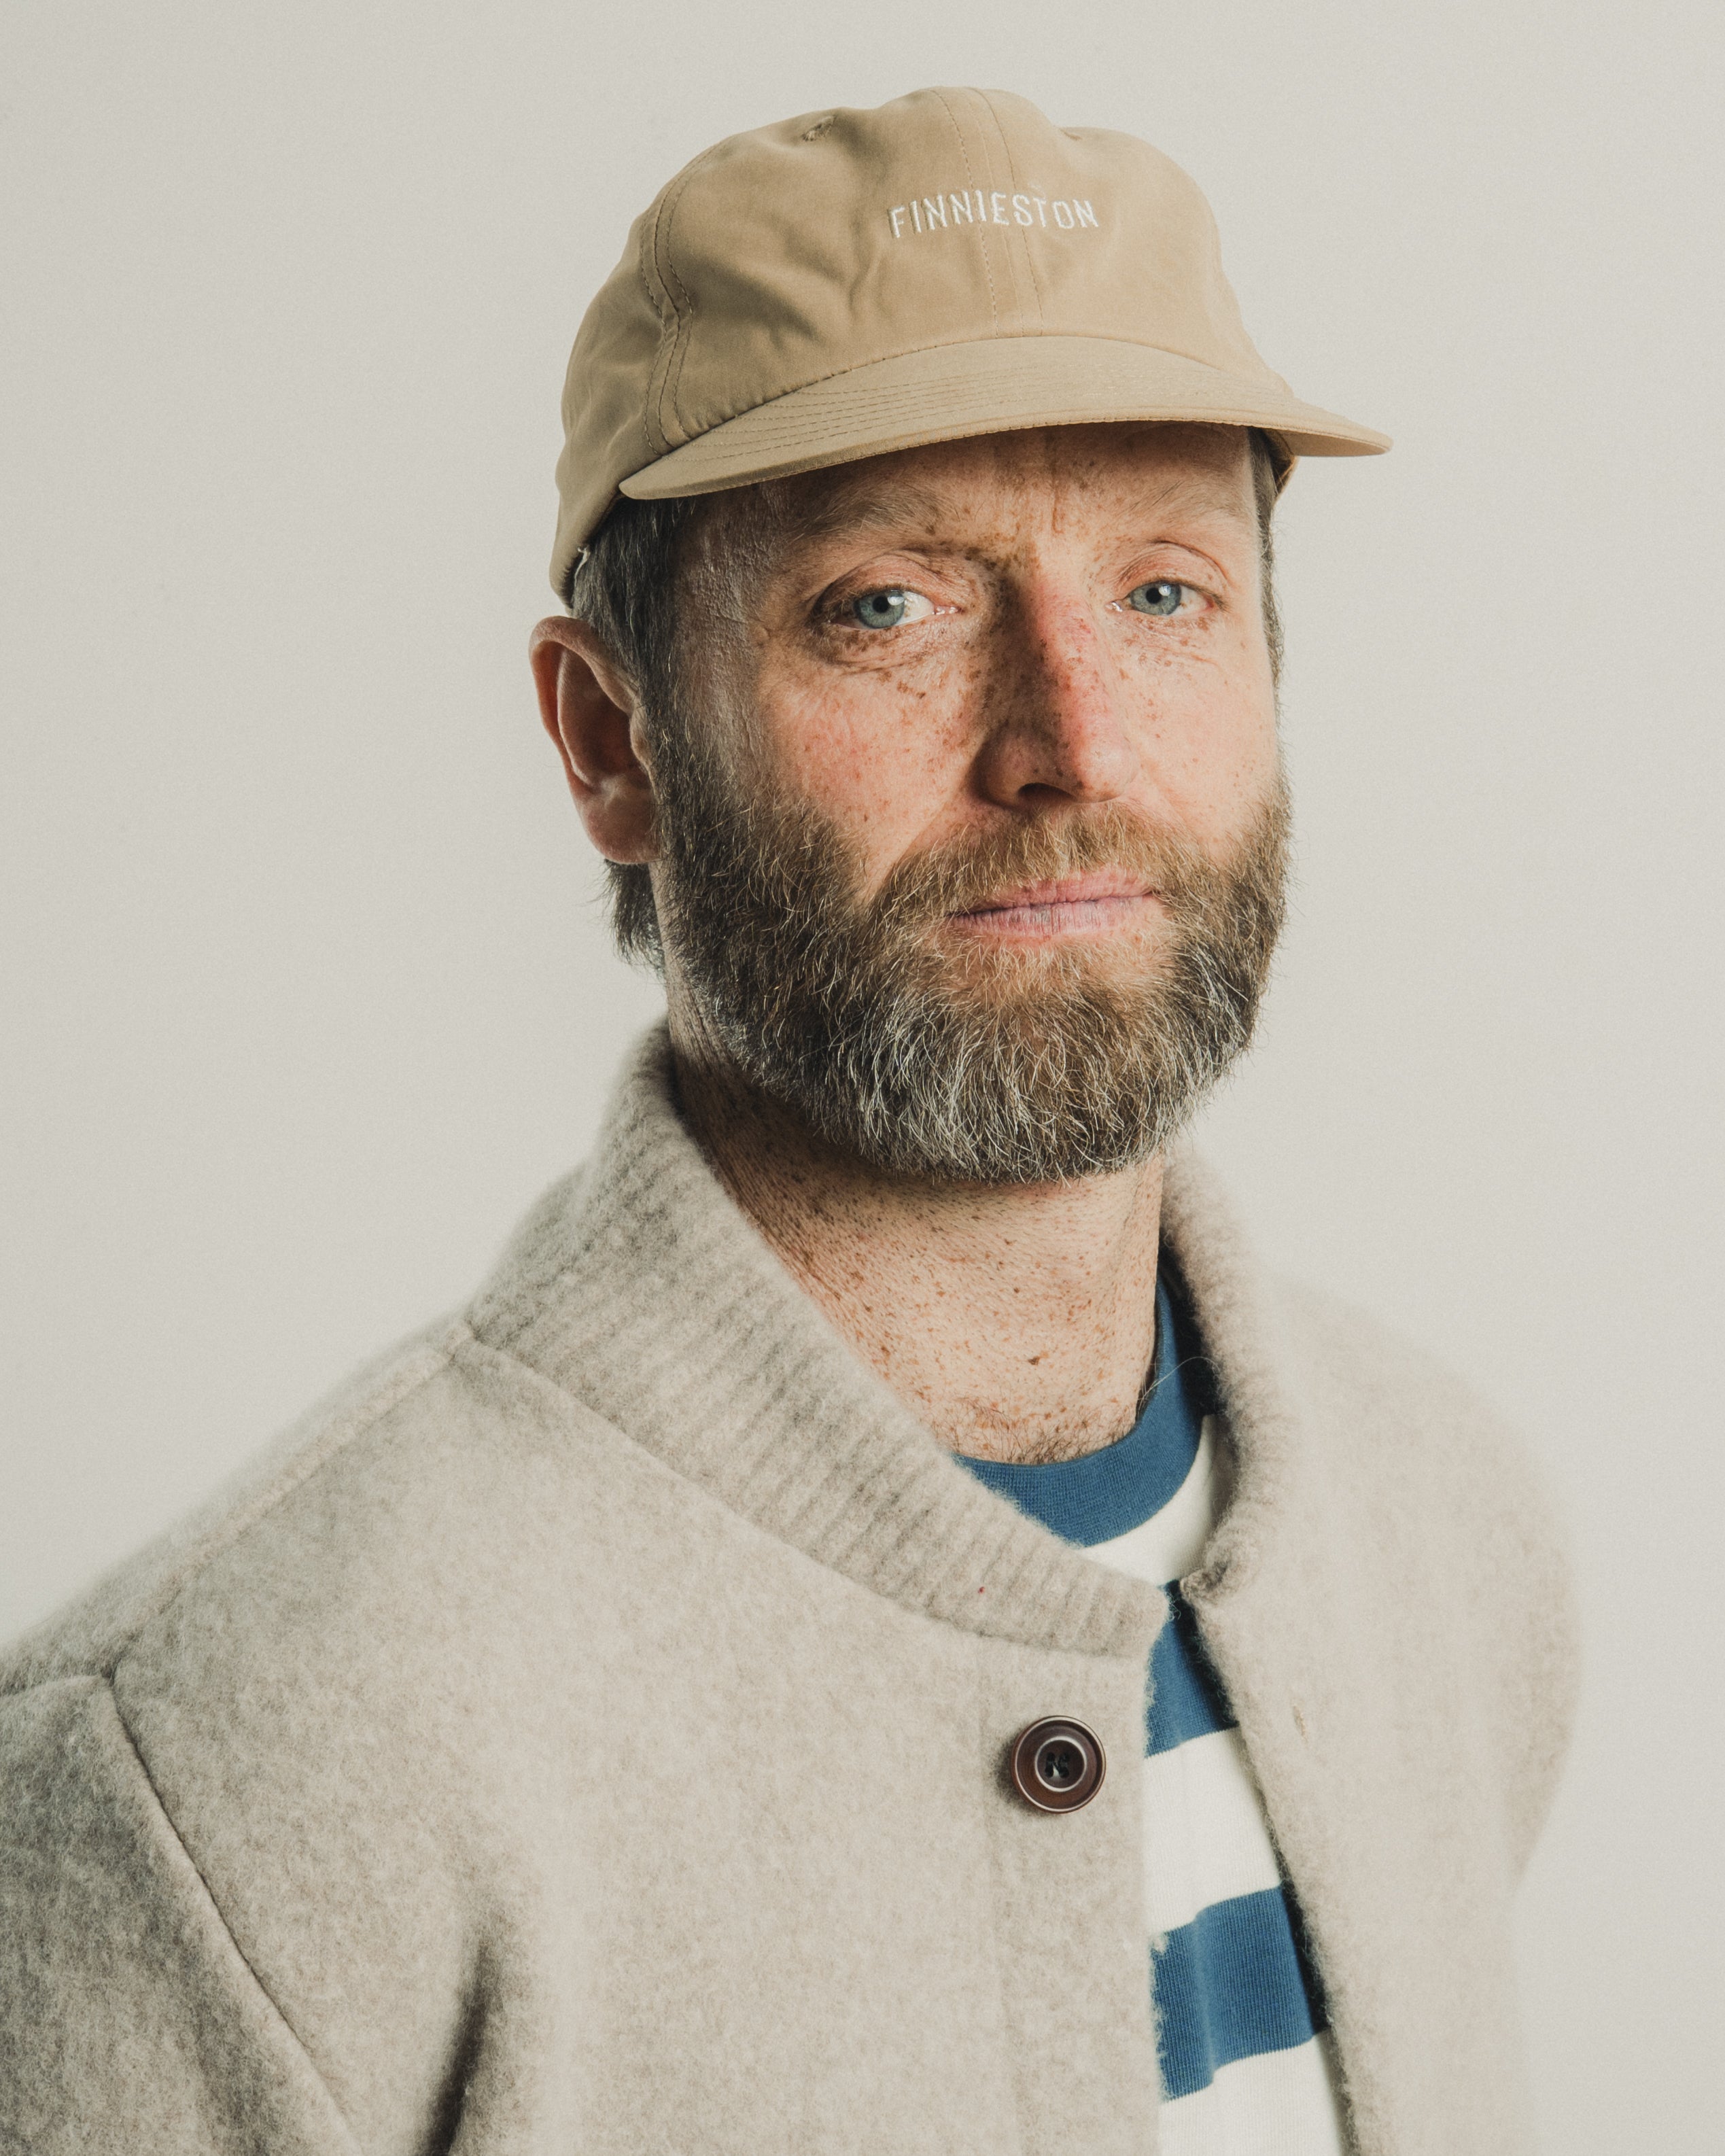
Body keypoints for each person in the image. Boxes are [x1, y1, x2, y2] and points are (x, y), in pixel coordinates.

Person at [0, 86, 1576, 2156]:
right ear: (608, 740)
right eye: (886, 606)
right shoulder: (214, 1783)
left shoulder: (1444, 1533)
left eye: (1165, 591)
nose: (1069, 741)